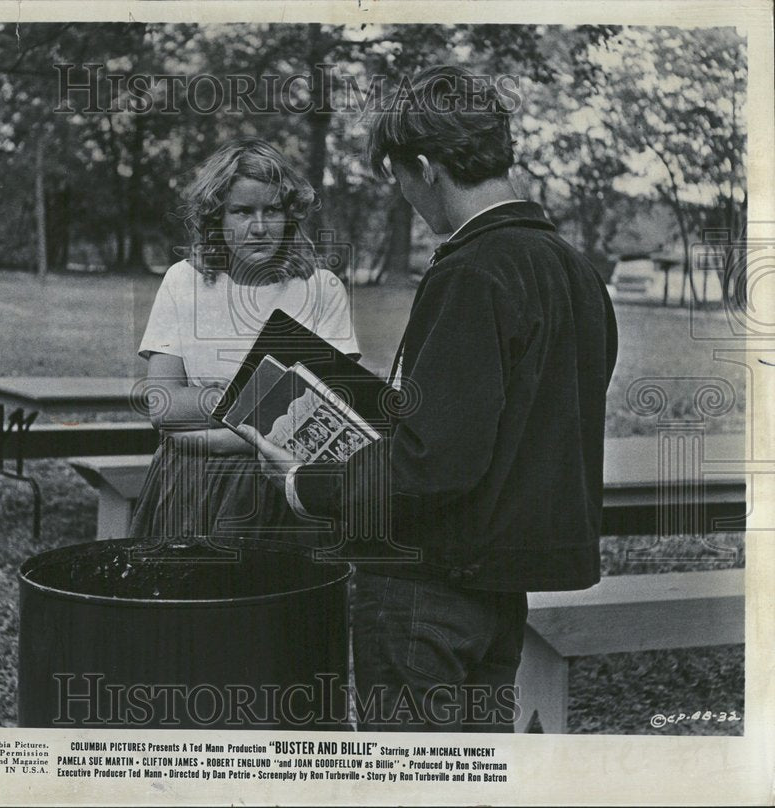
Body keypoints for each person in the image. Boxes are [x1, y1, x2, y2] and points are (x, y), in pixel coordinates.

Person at [237, 66, 619, 732]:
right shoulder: (574, 270)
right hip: (500, 589)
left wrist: (305, 484)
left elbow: (435, 462)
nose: (408, 197)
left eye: (400, 178)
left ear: (423, 165)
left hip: (425, 587)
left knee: (411, 780)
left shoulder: (473, 269)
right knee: (475, 774)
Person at [129, 137, 360, 547]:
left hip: (286, 489)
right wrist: (267, 405)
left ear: (290, 215)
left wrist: (207, 425)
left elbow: (330, 420)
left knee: (275, 605)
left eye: (271, 210)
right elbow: (163, 406)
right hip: (190, 483)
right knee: (186, 603)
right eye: (241, 211)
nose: (258, 226)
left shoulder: (322, 289)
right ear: (217, 217)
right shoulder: (184, 281)